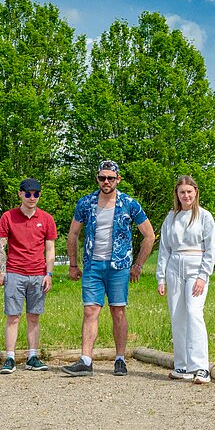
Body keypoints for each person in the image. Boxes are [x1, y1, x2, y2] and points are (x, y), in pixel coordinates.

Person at [63, 160, 155, 377]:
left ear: (118, 179)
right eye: (102, 178)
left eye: (110, 178)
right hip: (93, 264)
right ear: (97, 179)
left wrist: (138, 265)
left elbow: (149, 235)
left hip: (119, 266)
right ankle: (86, 359)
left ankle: (120, 359)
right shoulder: (86, 203)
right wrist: (73, 264)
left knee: (118, 311)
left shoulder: (129, 204)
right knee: (90, 310)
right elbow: (73, 234)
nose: (106, 182)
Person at [155, 176, 215, 384]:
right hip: (174, 266)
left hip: (195, 265)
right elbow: (164, 249)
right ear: (177, 194)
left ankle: (200, 367)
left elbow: (211, 249)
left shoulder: (204, 217)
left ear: (195, 192)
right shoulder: (171, 217)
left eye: (189, 191)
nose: (186, 195)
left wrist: (203, 275)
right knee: (177, 315)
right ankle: (181, 365)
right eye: (182, 192)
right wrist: (161, 277)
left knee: (193, 312)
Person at [0, 178, 57, 374]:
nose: (32, 197)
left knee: (34, 316)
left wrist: (49, 274)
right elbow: (0, 246)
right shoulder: (8, 217)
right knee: (13, 317)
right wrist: (3, 272)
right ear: (20, 194)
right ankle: (10, 358)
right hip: (14, 273)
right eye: (28, 194)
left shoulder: (46, 219)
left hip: (38, 274)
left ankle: (32, 356)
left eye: (36, 194)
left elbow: (50, 249)